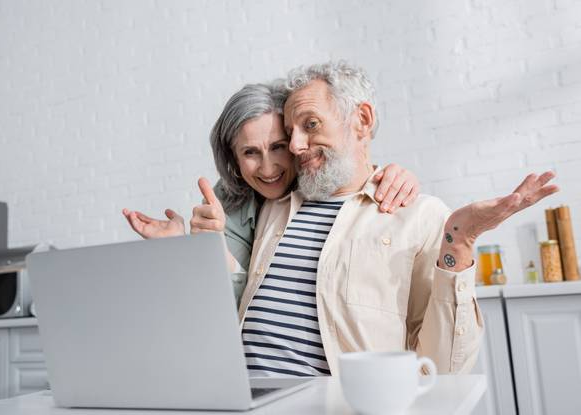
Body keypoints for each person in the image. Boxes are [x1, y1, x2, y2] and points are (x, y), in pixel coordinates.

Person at [232, 61, 559, 377]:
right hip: (238, 395)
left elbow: (445, 367)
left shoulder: (419, 216)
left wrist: (459, 242)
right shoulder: (272, 200)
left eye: (310, 125)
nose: (296, 145)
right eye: (290, 132)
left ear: (362, 119)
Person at [122, 83, 421, 304]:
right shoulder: (227, 201)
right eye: (250, 152)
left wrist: (386, 175)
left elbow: (353, 172)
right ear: (233, 160)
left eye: (278, 146)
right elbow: (230, 305)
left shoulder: (321, 180)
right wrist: (185, 249)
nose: (268, 168)